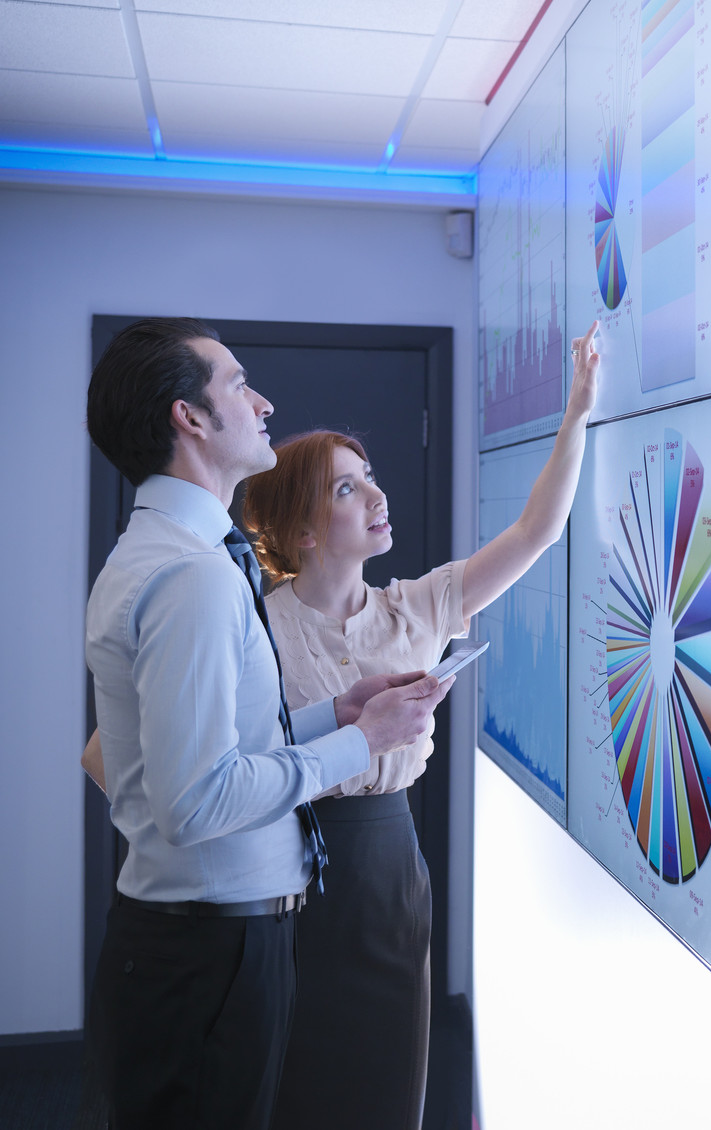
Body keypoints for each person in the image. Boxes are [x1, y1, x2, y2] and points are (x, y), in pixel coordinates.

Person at [83, 317, 451, 1130]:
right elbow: (196, 801)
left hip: (196, 947)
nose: (263, 401)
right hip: (209, 956)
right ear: (190, 418)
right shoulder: (194, 577)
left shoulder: (171, 554)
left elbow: (209, 752)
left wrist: (334, 714)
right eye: (239, 384)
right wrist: (361, 742)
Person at [241, 321, 601, 1130]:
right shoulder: (256, 626)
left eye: (370, 479)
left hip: (390, 867)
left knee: (387, 1079)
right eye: (346, 489)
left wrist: (575, 414)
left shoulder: (418, 606)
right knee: (297, 1082)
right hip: (285, 869)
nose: (377, 496)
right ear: (302, 530)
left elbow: (536, 532)